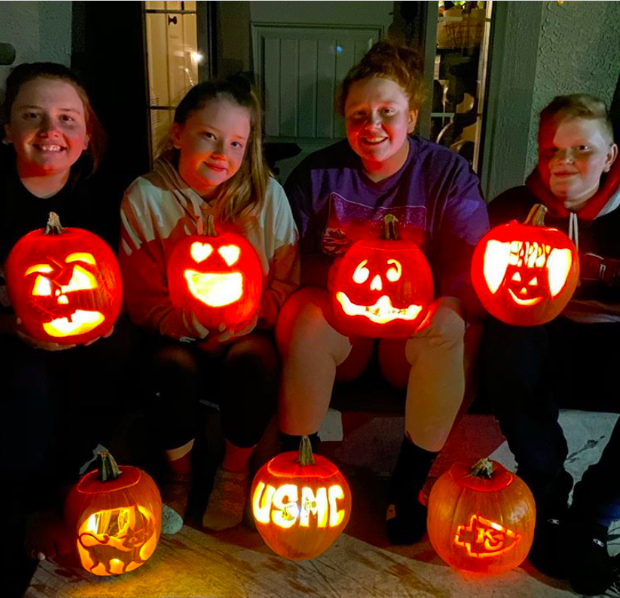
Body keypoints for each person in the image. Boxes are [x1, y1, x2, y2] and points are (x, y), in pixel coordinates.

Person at [277, 41, 489, 545]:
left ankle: (409, 482)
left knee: (451, 329)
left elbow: (472, 257)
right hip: (342, 325)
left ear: (411, 116)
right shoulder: (318, 174)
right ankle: (296, 467)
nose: (372, 126)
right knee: (304, 318)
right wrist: (326, 278)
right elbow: (286, 255)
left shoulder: (446, 174)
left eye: (386, 113)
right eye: (359, 115)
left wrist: (455, 304)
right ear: (345, 120)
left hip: (408, 333)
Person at [119, 78, 299, 534]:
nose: (223, 152)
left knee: (254, 362)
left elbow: (285, 282)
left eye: (236, 142)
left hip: (247, 331)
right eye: (210, 136)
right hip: (173, 333)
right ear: (178, 134)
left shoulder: (267, 198)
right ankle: (180, 475)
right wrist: (188, 323)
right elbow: (141, 298)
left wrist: (252, 319)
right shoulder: (145, 197)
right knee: (168, 369)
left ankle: (233, 472)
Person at [482, 94, 620, 595]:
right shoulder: (513, 211)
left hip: (611, 340)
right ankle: (544, 486)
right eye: (551, 151)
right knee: (505, 342)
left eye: (581, 149)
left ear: (609, 156)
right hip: (545, 337)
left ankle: (596, 513)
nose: (564, 162)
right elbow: (489, 287)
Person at [0, 63, 129, 566]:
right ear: (7, 129)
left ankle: (85, 483)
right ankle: (31, 505)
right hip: (9, 335)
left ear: (86, 134)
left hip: (84, 333)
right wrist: (11, 326)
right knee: (23, 376)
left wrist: (106, 322)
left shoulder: (101, 198)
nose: (50, 131)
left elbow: (113, 285)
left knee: (114, 356)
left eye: (67, 118)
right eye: (32, 115)